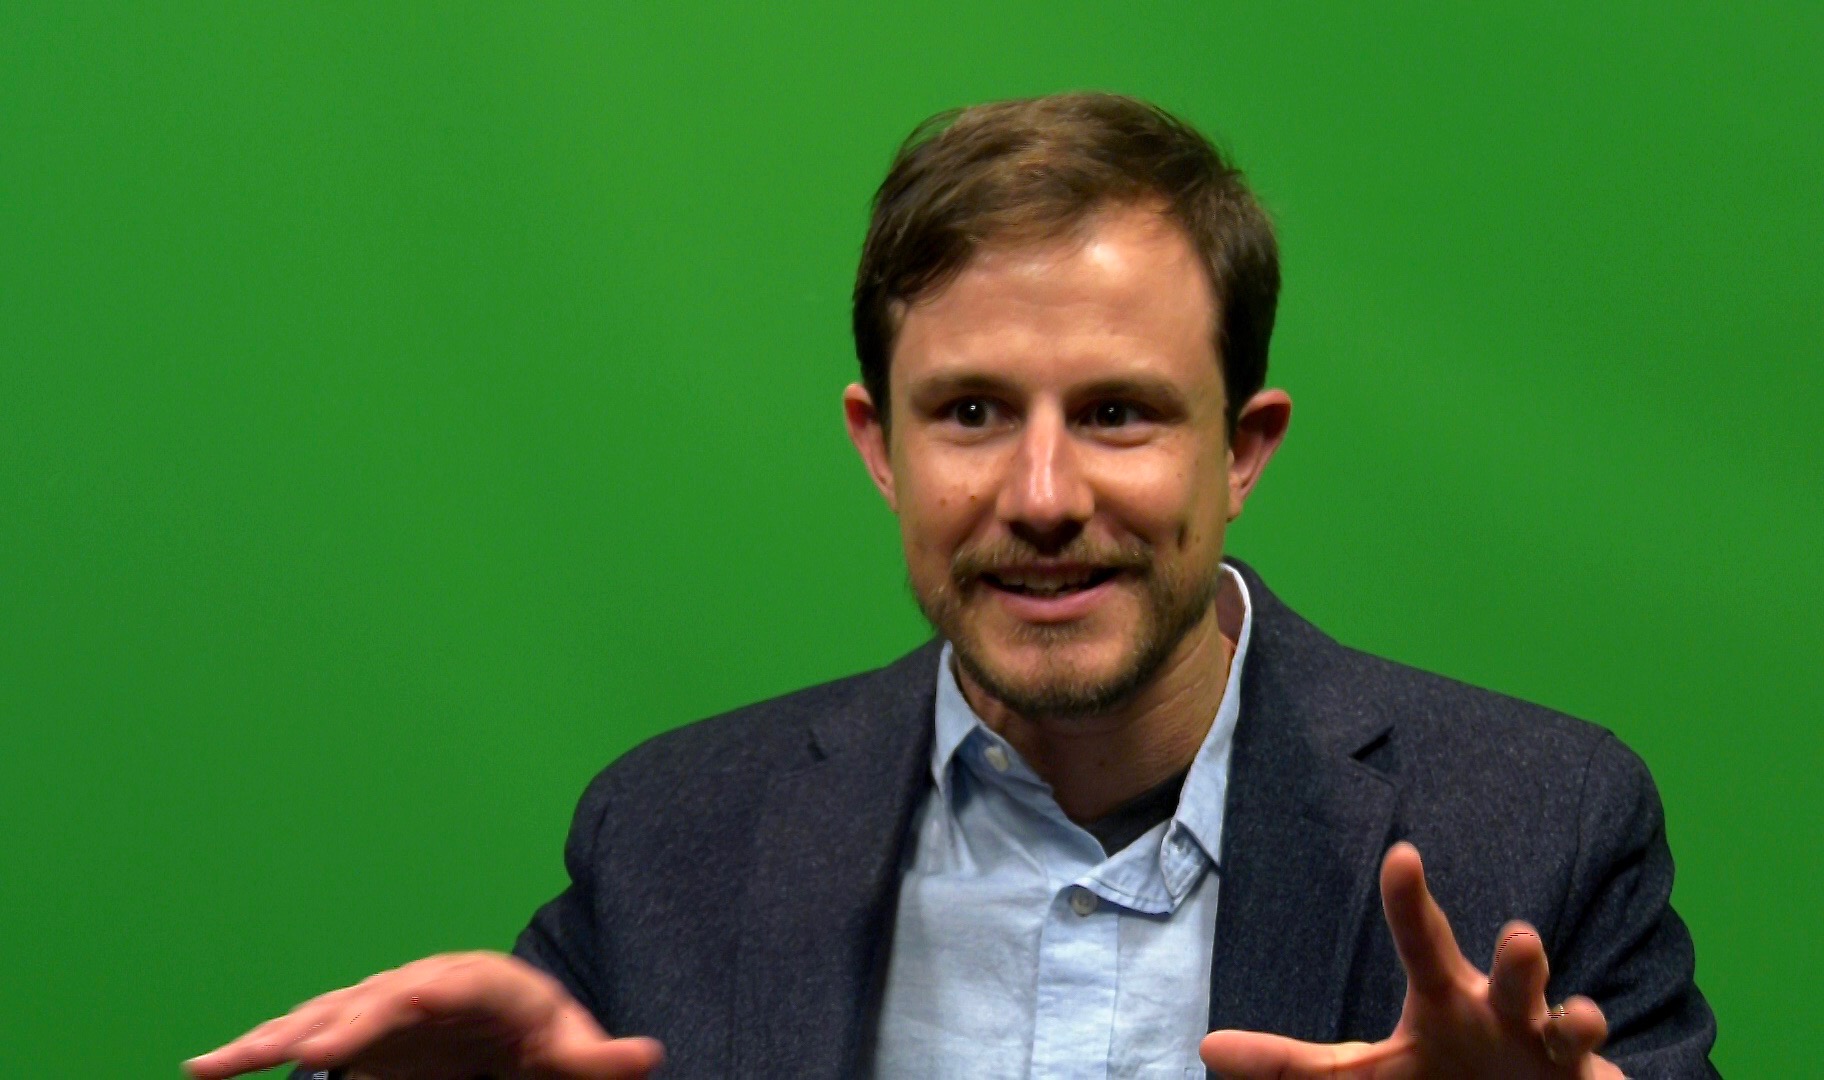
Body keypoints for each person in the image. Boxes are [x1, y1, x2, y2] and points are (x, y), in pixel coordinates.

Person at [186, 93, 1717, 1080]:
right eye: (972, 412)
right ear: (882, 446)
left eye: (1116, 413)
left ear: (1242, 449)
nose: (1041, 498)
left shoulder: (1543, 830)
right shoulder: (670, 844)